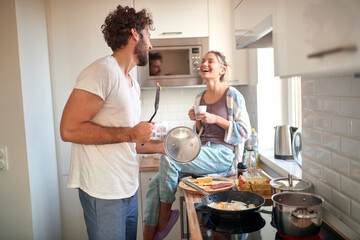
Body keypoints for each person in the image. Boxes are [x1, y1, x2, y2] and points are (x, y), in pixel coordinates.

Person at [60, 5, 165, 240]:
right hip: (104, 191)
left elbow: (128, 139)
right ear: (135, 34)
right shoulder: (100, 72)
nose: (151, 45)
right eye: (148, 36)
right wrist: (130, 133)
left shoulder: (131, 83)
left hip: (128, 188)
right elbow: (68, 130)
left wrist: (161, 147)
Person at [143, 51, 251, 240]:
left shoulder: (232, 95)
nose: (204, 64)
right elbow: (200, 134)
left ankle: (165, 215)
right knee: (155, 184)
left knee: (168, 156)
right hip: (203, 152)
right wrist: (198, 122)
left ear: (222, 69)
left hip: (222, 154)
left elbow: (244, 132)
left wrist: (215, 118)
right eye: (203, 61)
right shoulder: (199, 97)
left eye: (210, 61)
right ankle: (149, 237)